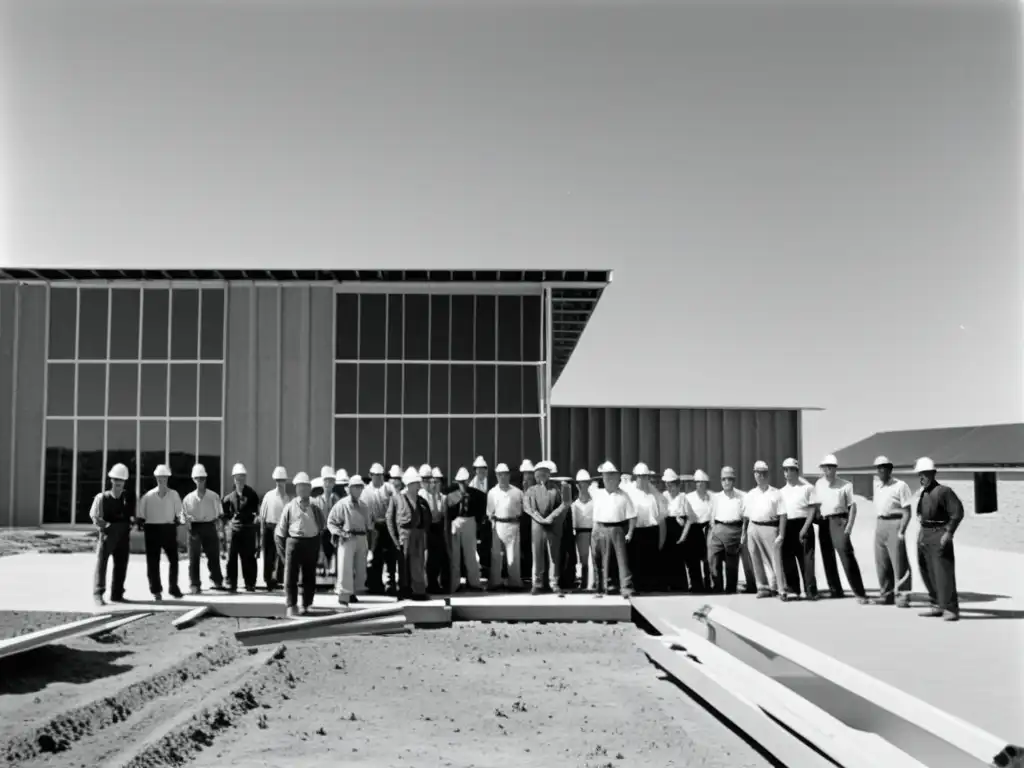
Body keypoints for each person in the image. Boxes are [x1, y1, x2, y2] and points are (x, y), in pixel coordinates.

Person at [912, 457, 964, 622]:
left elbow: (957, 513)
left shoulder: (944, 491)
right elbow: (921, 514)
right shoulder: (923, 493)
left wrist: (948, 532)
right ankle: (936, 604)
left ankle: (950, 608)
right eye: (920, 474)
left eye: (925, 474)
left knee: (943, 572)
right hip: (925, 532)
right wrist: (921, 534)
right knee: (927, 570)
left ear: (933, 474)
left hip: (939, 532)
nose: (922, 478)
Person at [814, 454, 868, 603]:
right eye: (825, 468)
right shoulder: (819, 484)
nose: (827, 471)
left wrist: (849, 526)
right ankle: (835, 590)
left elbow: (852, 507)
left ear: (835, 469)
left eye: (830, 468)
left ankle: (860, 593)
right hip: (824, 522)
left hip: (839, 521)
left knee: (846, 555)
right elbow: (817, 504)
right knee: (827, 557)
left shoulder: (845, 485)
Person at [276, 472, 326, 617]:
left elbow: (321, 529)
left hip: (312, 542)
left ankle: (307, 604)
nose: (303, 489)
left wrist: (321, 549)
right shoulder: (289, 507)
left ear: (310, 488)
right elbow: (280, 533)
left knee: (309, 575)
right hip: (294, 542)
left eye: (306, 486)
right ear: (296, 489)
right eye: (300, 487)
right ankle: (291, 605)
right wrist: (283, 553)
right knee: (291, 576)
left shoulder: (316, 508)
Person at [90, 463, 136, 606]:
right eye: (115, 480)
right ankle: (98, 593)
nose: (118, 483)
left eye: (120, 480)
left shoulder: (129, 499)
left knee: (121, 564)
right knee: (101, 564)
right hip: (107, 535)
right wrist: (107, 526)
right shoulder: (101, 498)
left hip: (123, 536)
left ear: (124, 481)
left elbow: (133, 516)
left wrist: (133, 523)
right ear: (111, 480)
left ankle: (117, 594)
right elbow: (94, 516)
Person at [871, 455, 914, 608]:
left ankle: (903, 595)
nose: (881, 470)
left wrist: (902, 530)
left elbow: (908, 511)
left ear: (890, 469)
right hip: (880, 523)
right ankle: (886, 594)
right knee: (882, 561)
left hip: (895, 522)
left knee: (899, 561)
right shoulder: (877, 486)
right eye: (879, 468)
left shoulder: (900, 486)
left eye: (884, 467)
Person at [523, 460, 570, 596]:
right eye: (539, 474)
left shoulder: (556, 488)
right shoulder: (531, 490)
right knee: (537, 554)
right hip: (537, 526)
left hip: (553, 525)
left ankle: (554, 583)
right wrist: (539, 518)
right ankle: (537, 584)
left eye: (545, 473)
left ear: (549, 475)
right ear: (535, 476)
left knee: (553, 555)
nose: (542, 476)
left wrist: (551, 517)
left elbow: (565, 504)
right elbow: (527, 507)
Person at [137, 464, 184, 601]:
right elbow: (141, 516)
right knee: (153, 562)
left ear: (167, 478)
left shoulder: (174, 495)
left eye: (164, 477)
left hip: (168, 529)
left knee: (174, 560)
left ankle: (173, 588)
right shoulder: (147, 497)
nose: (161, 480)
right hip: (152, 529)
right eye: (159, 477)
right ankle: (156, 590)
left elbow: (180, 513)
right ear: (156, 478)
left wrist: (181, 521)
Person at [590, 461, 636, 598]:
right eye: (606, 476)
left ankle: (626, 587)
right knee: (600, 560)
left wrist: (630, 532)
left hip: (618, 528)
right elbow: (595, 514)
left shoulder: (624, 495)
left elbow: (632, 516)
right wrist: (594, 531)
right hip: (599, 527)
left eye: (612, 476)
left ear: (618, 479)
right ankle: (603, 587)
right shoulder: (598, 494)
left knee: (621, 560)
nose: (609, 479)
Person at [387, 466, 432, 601]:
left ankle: (418, 591)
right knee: (404, 564)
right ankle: (404, 590)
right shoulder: (396, 499)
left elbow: (428, 518)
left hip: (418, 535)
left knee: (418, 563)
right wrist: (395, 540)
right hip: (404, 536)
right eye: (417, 483)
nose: (419, 485)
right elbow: (390, 520)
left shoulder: (421, 500)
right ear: (410, 484)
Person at [742, 460, 785, 599]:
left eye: (763, 473)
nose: (760, 476)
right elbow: (746, 516)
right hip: (753, 527)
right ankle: (763, 587)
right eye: (757, 473)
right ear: (754, 475)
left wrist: (782, 534)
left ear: (767, 475)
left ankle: (780, 589)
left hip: (770, 527)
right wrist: (744, 533)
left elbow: (783, 514)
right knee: (756, 558)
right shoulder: (750, 494)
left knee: (775, 559)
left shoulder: (776, 493)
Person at [181, 463, 226, 595]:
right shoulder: (188, 498)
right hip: (194, 528)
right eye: (197, 479)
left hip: (209, 526)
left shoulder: (213, 497)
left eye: (202, 478)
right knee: (193, 558)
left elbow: (219, 515)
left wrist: (221, 531)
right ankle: (194, 584)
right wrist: (186, 521)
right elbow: (182, 516)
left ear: (206, 479)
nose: (200, 481)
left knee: (213, 555)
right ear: (193, 480)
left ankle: (217, 581)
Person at [778, 458, 819, 601]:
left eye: (791, 469)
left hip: (803, 524)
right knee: (788, 559)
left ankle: (811, 591)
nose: (788, 472)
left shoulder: (807, 488)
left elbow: (812, 509)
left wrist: (805, 528)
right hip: (787, 525)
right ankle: (793, 589)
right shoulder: (781, 492)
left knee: (807, 560)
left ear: (797, 471)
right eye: (786, 470)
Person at [328, 474, 371, 607]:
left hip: (361, 538)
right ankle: (343, 596)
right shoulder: (342, 504)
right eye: (356, 487)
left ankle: (353, 592)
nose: (358, 490)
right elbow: (331, 522)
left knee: (360, 568)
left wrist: (369, 542)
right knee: (345, 568)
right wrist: (339, 533)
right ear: (350, 488)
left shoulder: (364, 506)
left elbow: (369, 525)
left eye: (360, 487)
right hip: (347, 538)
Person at [221, 463, 262, 593]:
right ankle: (231, 583)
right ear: (234, 479)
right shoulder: (228, 498)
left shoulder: (252, 495)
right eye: (237, 477)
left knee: (249, 557)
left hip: (248, 531)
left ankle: (250, 583)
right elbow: (224, 517)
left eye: (242, 477)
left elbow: (257, 513)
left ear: (245, 478)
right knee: (232, 558)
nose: (240, 480)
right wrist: (229, 523)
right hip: (234, 532)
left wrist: (256, 525)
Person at [627, 463, 666, 592]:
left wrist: (661, 539)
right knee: (635, 561)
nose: (642, 479)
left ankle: (650, 588)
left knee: (650, 562)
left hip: (651, 531)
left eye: (645, 476)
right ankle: (637, 587)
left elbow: (661, 517)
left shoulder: (654, 493)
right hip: (636, 531)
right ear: (636, 477)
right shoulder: (629, 491)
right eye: (640, 476)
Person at [706, 466, 746, 593]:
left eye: (729, 479)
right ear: (721, 481)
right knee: (714, 560)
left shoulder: (742, 496)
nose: (726, 482)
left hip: (734, 529)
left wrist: (743, 535)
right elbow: (712, 515)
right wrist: (712, 531)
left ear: (733, 480)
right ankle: (717, 588)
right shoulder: (715, 497)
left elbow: (745, 518)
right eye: (724, 479)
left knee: (731, 564)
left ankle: (730, 589)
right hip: (718, 528)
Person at [487, 463, 525, 591]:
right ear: (496, 476)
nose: (502, 477)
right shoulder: (492, 493)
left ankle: (515, 583)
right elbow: (489, 512)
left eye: (504, 474)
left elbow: (523, 510)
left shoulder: (518, 492)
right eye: (499, 475)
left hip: (513, 525)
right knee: (496, 556)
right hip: (498, 525)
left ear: (509, 475)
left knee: (513, 556)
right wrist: (493, 526)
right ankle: (495, 582)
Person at [448, 467, 486, 592]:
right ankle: (454, 584)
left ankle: (474, 583)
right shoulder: (451, 494)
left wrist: (479, 523)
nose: (463, 484)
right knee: (455, 555)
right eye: (460, 482)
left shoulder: (477, 494)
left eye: (464, 481)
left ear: (468, 481)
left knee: (471, 554)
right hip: (456, 521)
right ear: (456, 482)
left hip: (470, 520)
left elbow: (482, 510)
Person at [365, 462, 399, 595]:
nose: (379, 478)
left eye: (380, 475)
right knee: (374, 556)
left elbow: (397, 503)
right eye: (376, 475)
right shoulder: (366, 491)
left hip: (388, 525)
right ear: (371, 475)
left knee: (390, 556)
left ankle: (391, 584)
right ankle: (375, 584)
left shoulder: (389, 488)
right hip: (374, 527)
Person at [258, 466, 290, 591]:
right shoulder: (268, 496)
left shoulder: (287, 498)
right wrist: (261, 531)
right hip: (269, 527)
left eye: (282, 480)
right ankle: (268, 580)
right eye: (278, 480)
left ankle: (279, 579)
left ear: (285, 481)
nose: (280, 483)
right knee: (269, 555)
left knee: (281, 555)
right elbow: (262, 515)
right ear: (275, 481)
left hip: (281, 528)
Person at [681, 469, 714, 592]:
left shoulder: (712, 497)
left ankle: (709, 584)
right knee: (692, 559)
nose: (699, 484)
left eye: (702, 482)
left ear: (706, 483)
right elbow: (683, 513)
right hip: (693, 530)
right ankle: (696, 585)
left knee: (708, 559)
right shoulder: (688, 497)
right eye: (697, 482)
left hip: (708, 528)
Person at [421, 465, 451, 594]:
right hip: (428, 530)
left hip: (440, 529)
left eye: (437, 482)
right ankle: (431, 584)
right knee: (430, 559)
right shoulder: (423, 496)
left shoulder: (443, 498)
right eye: (432, 482)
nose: (434, 485)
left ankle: (443, 584)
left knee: (442, 558)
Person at [661, 469, 689, 591]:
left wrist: (683, 533)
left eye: (671, 485)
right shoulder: (663, 496)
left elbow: (690, 518)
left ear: (677, 485)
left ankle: (680, 585)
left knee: (678, 559)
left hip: (678, 528)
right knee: (666, 558)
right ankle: (667, 584)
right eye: (667, 485)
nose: (669, 488)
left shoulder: (683, 497)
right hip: (666, 527)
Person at [571, 469, 595, 592]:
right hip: (580, 534)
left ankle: (594, 583)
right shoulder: (574, 505)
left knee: (594, 559)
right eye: (580, 483)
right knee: (583, 560)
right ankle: (584, 583)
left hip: (593, 532)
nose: (583, 486)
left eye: (585, 483)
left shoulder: (595, 502)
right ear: (577, 485)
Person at [470, 456, 491, 584]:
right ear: (475, 471)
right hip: (478, 520)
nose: (481, 472)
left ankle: (487, 569)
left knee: (487, 546)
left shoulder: (491, 482)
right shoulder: (472, 485)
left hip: (488, 519)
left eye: (483, 470)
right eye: (478, 470)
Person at [519, 459, 536, 577]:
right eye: (525, 473)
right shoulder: (519, 490)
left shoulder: (537, 489)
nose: (527, 476)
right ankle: (525, 571)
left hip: (534, 521)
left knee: (533, 546)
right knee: (524, 545)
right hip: (524, 521)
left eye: (529, 473)